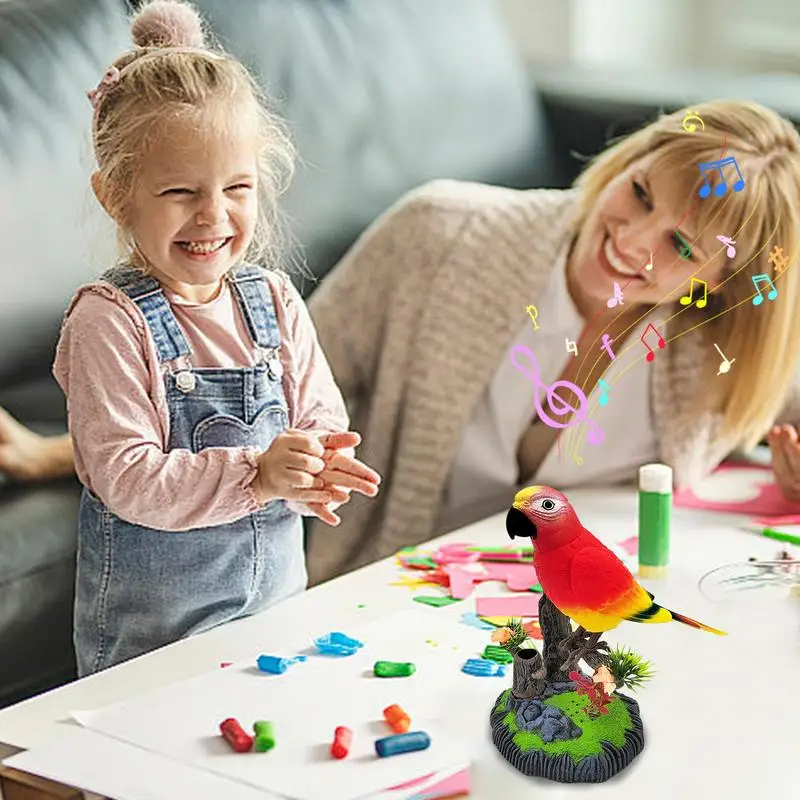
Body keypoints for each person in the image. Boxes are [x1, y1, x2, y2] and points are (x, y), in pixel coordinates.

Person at [303, 98, 800, 584]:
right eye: (641, 194)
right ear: (629, 162)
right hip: (389, 592)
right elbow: (284, 379)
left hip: (579, 612)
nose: (632, 240)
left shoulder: (724, 347)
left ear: (721, 285)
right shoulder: (438, 232)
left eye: (681, 245)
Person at [48, 0, 380, 676]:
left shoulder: (274, 299)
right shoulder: (108, 321)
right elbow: (129, 479)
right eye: (180, 191)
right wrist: (259, 474)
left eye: (238, 187)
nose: (214, 214)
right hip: (151, 653)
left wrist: (317, 464)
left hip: (275, 627)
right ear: (117, 196)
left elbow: (319, 414)